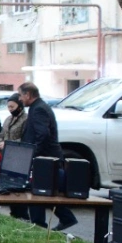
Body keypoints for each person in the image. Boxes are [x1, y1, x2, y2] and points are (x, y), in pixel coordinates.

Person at [18, 82, 79, 231]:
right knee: (44, 192)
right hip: (46, 158)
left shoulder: (38, 109)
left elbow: (43, 135)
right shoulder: (38, 107)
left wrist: (34, 154)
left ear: (28, 95)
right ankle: (66, 218)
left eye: (20, 95)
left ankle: (39, 224)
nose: (19, 99)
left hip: (45, 159)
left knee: (38, 192)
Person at [0, 94, 31, 221]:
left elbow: (25, 138)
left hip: (19, 157)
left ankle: (22, 215)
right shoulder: (8, 119)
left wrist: (9, 144)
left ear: (20, 106)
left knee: (18, 187)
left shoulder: (26, 120)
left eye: (12, 106)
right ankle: (14, 213)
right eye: (8, 106)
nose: (10, 109)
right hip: (6, 157)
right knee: (9, 186)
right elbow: (1, 134)